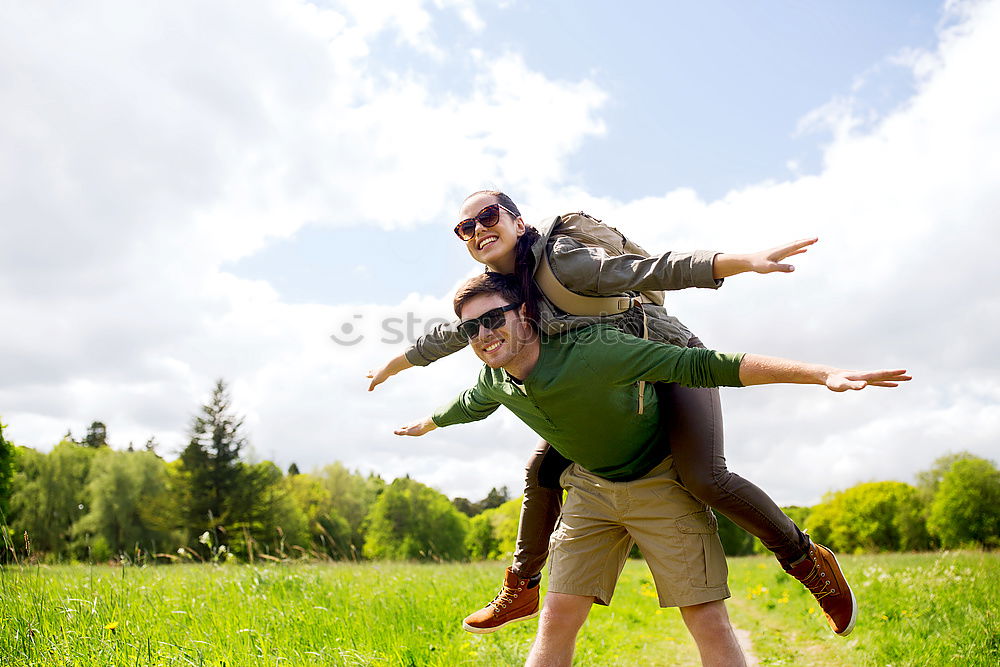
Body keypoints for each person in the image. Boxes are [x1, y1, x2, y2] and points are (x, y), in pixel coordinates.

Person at [367, 190, 853, 636]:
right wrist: (397, 363)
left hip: (663, 358)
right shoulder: (501, 288)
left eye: (487, 217)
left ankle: (805, 559)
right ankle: (522, 586)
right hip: (605, 379)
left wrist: (741, 262)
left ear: (516, 221)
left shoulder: (564, 262)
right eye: (464, 228)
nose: (476, 230)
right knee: (541, 470)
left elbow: (651, 271)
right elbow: (457, 333)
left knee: (704, 478)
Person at [394, 272, 909, 666]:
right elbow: (466, 403)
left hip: (661, 481)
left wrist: (822, 375)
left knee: (705, 620)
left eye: (493, 318)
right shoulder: (495, 381)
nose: (484, 334)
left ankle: (806, 559)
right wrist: (428, 424)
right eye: (471, 328)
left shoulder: (594, 352)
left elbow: (708, 365)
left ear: (525, 313)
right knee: (555, 620)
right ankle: (519, 588)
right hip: (591, 493)